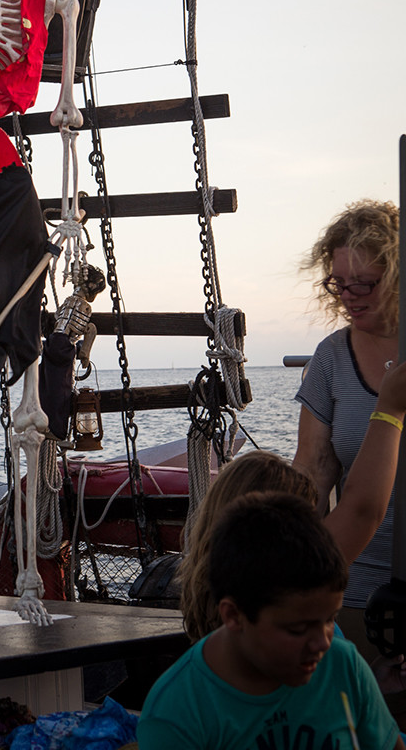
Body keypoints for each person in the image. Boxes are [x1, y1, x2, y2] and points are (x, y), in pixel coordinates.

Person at [137, 492, 405, 750]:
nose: (323, 642)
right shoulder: (177, 712)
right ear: (233, 615)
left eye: (330, 619)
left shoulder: (344, 665)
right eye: (298, 629)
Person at [180, 358, 406, 643]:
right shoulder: (288, 602)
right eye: (303, 531)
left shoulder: (219, 610)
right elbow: (364, 511)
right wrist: (389, 410)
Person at [292, 199, 399, 657]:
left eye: (365, 283)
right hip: (355, 595)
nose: (349, 296)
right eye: (339, 284)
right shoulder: (331, 358)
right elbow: (311, 477)